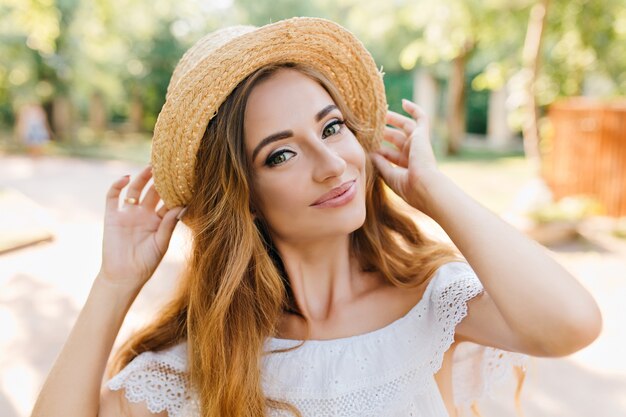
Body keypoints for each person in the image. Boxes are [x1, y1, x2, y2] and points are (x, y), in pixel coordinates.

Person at [31, 17, 602, 417]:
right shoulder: (203, 358)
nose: (331, 164)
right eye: (282, 153)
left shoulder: (431, 303)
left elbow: (572, 325)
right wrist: (114, 284)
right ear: (244, 195)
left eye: (331, 127)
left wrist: (433, 191)